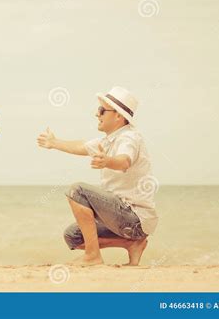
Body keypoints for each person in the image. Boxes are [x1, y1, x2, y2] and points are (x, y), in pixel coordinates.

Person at [37, 86, 158, 266]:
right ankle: (131, 244)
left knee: (77, 191)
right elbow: (81, 146)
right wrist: (54, 143)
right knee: (73, 236)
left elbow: (124, 160)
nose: (97, 114)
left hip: (134, 218)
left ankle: (92, 256)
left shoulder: (129, 138)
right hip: (122, 221)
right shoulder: (108, 141)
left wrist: (108, 161)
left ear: (118, 116)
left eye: (102, 110)